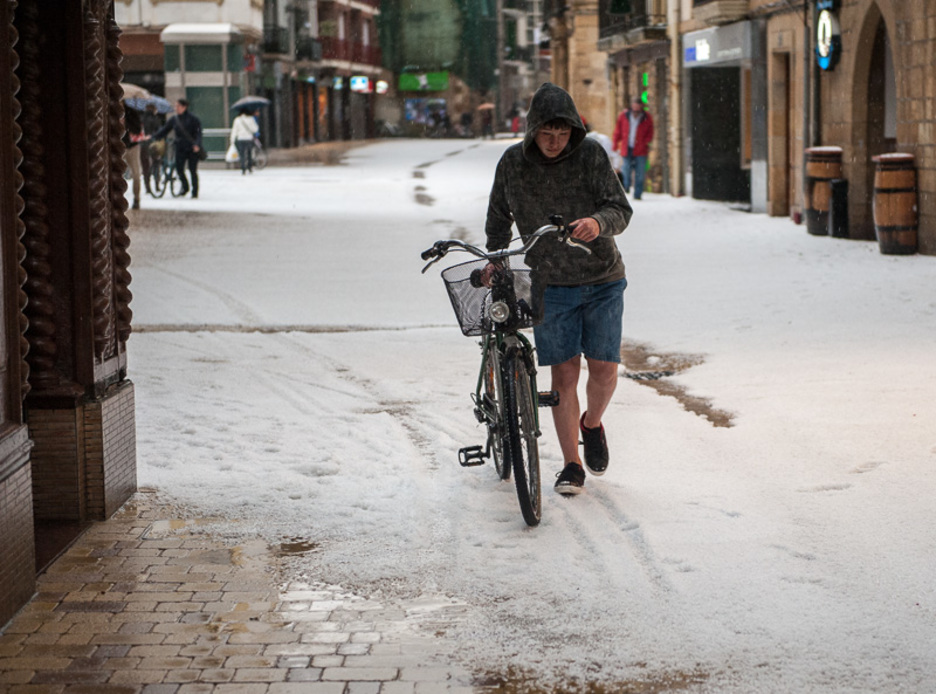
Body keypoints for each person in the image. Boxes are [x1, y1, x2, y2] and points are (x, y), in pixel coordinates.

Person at [485, 82, 633, 495]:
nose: (554, 142)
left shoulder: (590, 156)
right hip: (550, 283)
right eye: (546, 135)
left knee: (603, 370)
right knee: (563, 376)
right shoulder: (513, 163)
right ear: (532, 130)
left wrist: (598, 223)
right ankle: (571, 465)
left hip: (602, 277)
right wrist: (495, 259)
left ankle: (592, 424)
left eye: (562, 134)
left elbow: (620, 209)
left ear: (574, 131)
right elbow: (498, 219)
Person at [151, 98, 203, 198]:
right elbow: (165, 130)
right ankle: (185, 186)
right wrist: (154, 137)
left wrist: (197, 144)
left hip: (192, 148)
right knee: (179, 169)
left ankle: (194, 191)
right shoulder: (174, 119)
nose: (176, 108)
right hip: (180, 147)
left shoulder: (193, 119)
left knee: (193, 170)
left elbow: (198, 133)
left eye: (178, 106)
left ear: (184, 107)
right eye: (176, 106)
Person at [612, 96, 654, 200]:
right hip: (627, 147)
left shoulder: (646, 117)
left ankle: (638, 194)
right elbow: (618, 130)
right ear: (632, 105)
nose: (636, 108)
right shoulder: (624, 115)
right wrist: (615, 143)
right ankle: (626, 187)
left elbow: (650, 132)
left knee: (640, 173)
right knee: (626, 169)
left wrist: (645, 142)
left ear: (641, 106)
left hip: (641, 150)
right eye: (634, 105)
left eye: (638, 106)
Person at [122, 106, 145, 209]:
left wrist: (126, 123)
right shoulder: (109, 110)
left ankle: (136, 198)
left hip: (132, 146)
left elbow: (137, 129)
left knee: (136, 173)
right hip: (117, 147)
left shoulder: (131, 111)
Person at [141, 103, 164, 196]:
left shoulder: (141, 119)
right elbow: (160, 132)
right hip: (154, 144)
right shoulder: (156, 119)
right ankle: (157, 184)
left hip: (143, 145)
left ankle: (147, 187)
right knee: (156, 164)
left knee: (145, 167)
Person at [230, 108, 260, 174]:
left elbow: (234, 130)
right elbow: (255, 129)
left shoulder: (237, 120)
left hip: (241, 138)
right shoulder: (251, 119)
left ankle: (243, 167)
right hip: (249, 138)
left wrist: (232, 139)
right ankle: (250, 167)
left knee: (242, 154)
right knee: (249, 153)